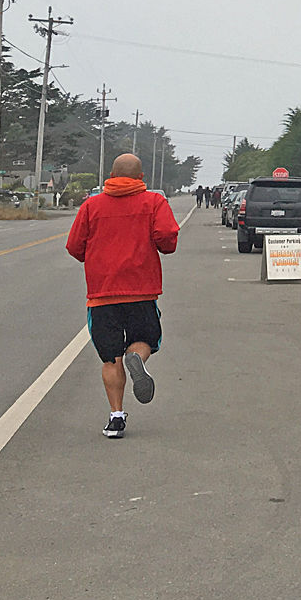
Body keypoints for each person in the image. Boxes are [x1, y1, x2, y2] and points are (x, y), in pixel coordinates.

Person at [66, 153, 179, 439]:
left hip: (102, 294)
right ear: (141, 177)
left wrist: (98, 257)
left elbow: (74, 247)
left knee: (110, 358)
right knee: (145, 341)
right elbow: (168, 240)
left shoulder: (91, 206)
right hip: (141, 292)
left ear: (111, 176)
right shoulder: (154, 202)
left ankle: (116, 418)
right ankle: (136, 358)